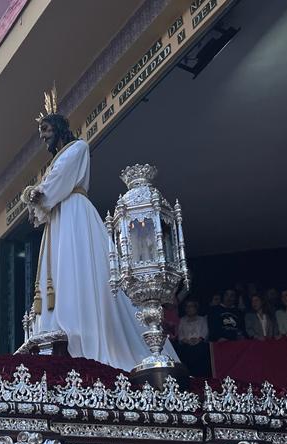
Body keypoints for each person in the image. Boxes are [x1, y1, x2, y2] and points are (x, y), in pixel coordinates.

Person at [19, 100, 175, 370]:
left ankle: (86, 329)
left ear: (57, 127)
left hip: (74, 215)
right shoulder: (57, 160)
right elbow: (48, 188)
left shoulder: (78, 147)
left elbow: (57, 183)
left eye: (45, 129)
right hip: (59, 217)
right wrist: (37, 193)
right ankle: (58, 325)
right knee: (61, 269)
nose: (43, 136)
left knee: (80, 267)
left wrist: (38, 192)